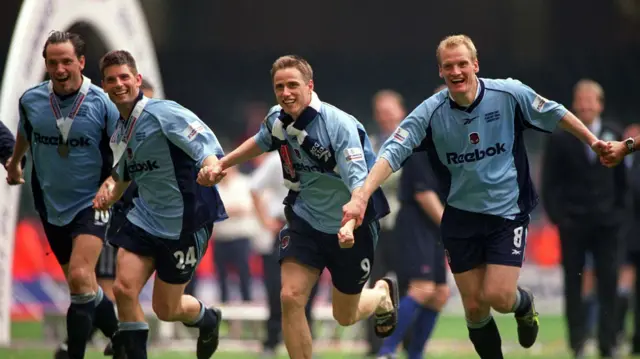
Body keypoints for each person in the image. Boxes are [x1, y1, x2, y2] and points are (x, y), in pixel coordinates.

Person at [341, 34, 609, 359]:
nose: (456, 71)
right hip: (460, 217)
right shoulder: (430, 112)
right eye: (448, 66)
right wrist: (362, 195)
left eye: (462, 63)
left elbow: (555, 113)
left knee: (498, 296)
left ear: (475, 65)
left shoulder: (508, 93)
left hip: (506, 213)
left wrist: (594, 142)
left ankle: (524, 305)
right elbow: (392, 151)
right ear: (440, 71)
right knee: (474, 307)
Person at [197, 55, 397, 359]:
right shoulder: (277, 119)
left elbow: (360, 188)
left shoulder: (338, 125)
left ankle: (381, 295)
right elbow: (260, 141)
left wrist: (348, 223)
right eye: (280, 86)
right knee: (290, 297)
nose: (286, 92)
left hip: (351, 224)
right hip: (304, 220)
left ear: (310, 86)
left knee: (345, 315)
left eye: (293, 85)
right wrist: (223, 164)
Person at [93, 49, 227, 359]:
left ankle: (208, 319)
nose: (119, 84)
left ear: (137, 79)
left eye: (125, 77)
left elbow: (203, 141)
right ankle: (131, 348)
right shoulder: (120, 129)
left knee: (167, 309)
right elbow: (126, 171)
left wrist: (210, 165)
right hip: (144, 219)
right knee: (123, 289)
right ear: (105, 86)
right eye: (111, 80)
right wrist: (108, 193)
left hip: (185, 223)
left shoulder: (163, 112)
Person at [5, 31, 121, 359]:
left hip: (92, 202)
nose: (59, 68)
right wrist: (14, 165)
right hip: (50, 204)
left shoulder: (102, 103)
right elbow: (25, 134)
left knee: (82, 276)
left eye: (67, 61)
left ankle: (74, 353)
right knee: (81, 286)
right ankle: (123, 336)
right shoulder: (31, 100)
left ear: (81, 62)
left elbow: (125, 151)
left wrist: (113, 183)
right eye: (52, 62)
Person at [541, 78, 629, 358]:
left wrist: (618, 214)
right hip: (573, 224)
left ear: (600, 104)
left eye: (590, 100)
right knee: (573, 284)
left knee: (609, 284)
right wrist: (560, 218)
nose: (584, 105)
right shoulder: (561, 136)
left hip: (607, 224)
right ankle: (577, 342)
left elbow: (623, 182)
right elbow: (549, 183)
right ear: (573, 104)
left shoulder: (616, 133)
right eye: (580, 100)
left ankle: (608, 342)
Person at [377, 87, 451, 359]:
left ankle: (415, 354)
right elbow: (423, 193)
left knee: (440, 293)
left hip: (433, 227)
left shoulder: (449, 143)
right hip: (415, 223)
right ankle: (386, 351)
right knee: (422, 288)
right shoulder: (420, 140)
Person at [249, 151, 320, 358]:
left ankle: (307, 344)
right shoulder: (276, 158)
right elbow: (254, 187)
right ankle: (271, 342)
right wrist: (265, 221)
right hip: (283, 227)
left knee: (308, 291)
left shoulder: (318, 155)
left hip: (312, 227)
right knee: (275, 288)